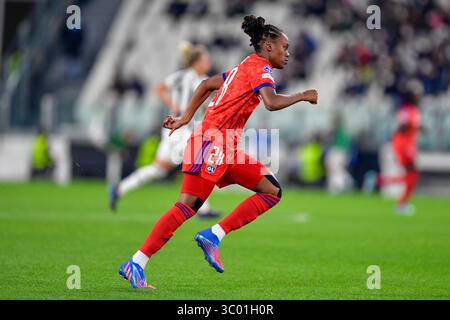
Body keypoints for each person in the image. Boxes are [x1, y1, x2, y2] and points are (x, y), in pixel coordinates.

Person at [118, 15, 318, 289]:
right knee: (186, 207)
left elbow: (207, 84)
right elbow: (270, 103)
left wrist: (185, 118)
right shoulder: (260, 69)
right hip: (210, 143)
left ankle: (214, 234)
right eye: (284, 47)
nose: (288, 53)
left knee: (272, 191)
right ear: (269, 46)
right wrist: (303, 95)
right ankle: (136, 262)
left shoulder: (243, 67)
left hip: (225, 147)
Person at [109, 42, 220, 218]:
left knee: (159, 169)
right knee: (199, 163)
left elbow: (160, 89)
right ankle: (203, 209)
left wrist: (172, 105)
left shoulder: (180, 76)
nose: (208, 63)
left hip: (173, 131)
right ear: (197, 62)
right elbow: (204, 107)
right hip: (183, 131)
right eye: (205, 59)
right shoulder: (199, 81)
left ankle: (119, 189)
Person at [364, 91, 422, 215]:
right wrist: (412, 128)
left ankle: (377, 181)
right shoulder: (408, 110)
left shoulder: (410, 110)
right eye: (417, 96)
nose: (419, 98)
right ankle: (401, 204)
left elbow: (408, 125)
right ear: (412, 98)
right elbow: (403, 126)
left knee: (411, 176)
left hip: (405, 144)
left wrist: (418, 128)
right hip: (404, 145)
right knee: (412, 175)